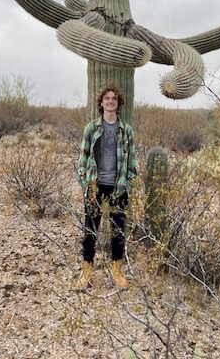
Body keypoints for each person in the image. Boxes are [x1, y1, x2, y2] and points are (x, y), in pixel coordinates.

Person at [75, 85, 137, 290]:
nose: (110, 101)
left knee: (118, 231)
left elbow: (132, 162)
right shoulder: (91, 128)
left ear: (118, 104)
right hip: (96, 186)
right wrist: (87, 184)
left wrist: (127, 182)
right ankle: (86, 272)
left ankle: (117, 272)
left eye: (114, 99)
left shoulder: (126, 130)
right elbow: (83, 159)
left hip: (118, 187)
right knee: (90, 230)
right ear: (101, 103)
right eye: (107, 99)